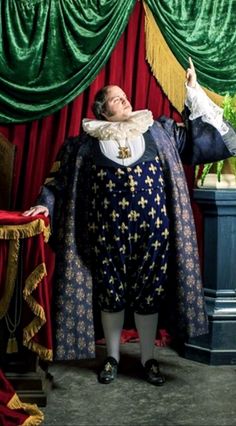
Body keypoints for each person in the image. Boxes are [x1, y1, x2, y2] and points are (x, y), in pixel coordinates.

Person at [23, 58, 236, 386]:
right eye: (114, 97)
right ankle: (112, 357)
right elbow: (57, 184)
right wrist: (43, 208)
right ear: (102, 110)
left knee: (149, 295)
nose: (123, 99)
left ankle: (149, 359)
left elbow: (206, 143)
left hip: (155, 235)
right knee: (110, 295)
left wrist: (193, 92)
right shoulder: (84, 144)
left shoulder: (159, 131)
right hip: (105, 237)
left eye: (124, 95)